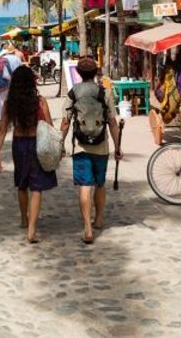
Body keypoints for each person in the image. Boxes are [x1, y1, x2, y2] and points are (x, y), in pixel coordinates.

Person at [61, 57, 121, 244]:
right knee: (100, 184)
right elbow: (112, 122)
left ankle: (87, 228)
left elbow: (65, 122)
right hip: (101, 146)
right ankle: (99, 219)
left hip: (80, 147)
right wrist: (118, 146)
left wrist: (60, 143)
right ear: (95, 73)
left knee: (85, 186)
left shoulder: (73, 93)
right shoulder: (105, 93)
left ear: (78, 73)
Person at [0, 65, 56, 244]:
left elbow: (2, 130)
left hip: (19, 144)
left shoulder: (9, 103)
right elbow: (49, 125)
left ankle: (23, 218)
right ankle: (32, 231)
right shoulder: (40, 101)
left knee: (22, 183)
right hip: (37, 144)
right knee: (36, 187)